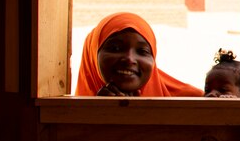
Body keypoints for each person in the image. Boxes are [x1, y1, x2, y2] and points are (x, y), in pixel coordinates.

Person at [74, 12, 204, 97]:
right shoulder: (68, 115)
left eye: (142, 51)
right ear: (92, 55)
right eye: (115, 48)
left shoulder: (195, 103)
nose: (129, 59)